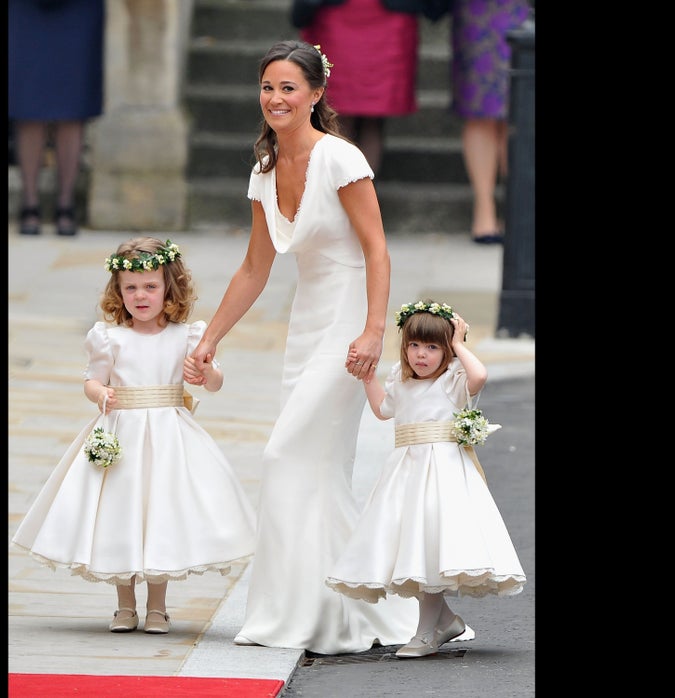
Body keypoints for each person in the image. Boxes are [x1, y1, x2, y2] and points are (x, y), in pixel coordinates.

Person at [184, 40, 465, 655]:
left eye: (288, 87)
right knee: (314, 470)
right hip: (305, 328)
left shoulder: (340, 158)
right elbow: (255, 269)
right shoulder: (262, 170)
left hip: (346, 329)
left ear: (315, 94)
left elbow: (376, 249)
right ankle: (364, 609)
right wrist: (208, 338)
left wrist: (372, 330)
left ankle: (338, 608)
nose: (276, 99)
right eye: (267, 87)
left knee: (286, 456)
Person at [11, 237, 256, 635]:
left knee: (160, 514)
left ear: (169, 288)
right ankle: (124, 606)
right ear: (118, 291)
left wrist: (206, 373)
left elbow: (215, 381)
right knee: (120, 514)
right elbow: (91, 380)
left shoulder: (187, 336)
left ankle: (157, 607)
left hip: (169, 438)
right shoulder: (109, 337)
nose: (140, 296)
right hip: (121, 434)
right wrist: (100, 393)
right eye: (130, 288)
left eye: (150, 286)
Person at [327, 300, 526, 657]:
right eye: (415, 346)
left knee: (430, 545)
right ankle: (444, 621)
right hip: (406, 474)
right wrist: (367, 376)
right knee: (416, 550)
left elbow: (480, 376)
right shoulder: (401, 384)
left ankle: (425, 634)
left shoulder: (453, 381)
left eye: (433, 347)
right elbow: (382, 409)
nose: (422, 355)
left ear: (446, 350)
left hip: (442, 476)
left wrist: (461, 343)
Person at [8, 0, 105, 236]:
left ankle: (66, 204)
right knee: (27, 102)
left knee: (73, 102)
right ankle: (29, 202)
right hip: (24, 9)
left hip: (79, 10)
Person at [295, 0, 420, 175]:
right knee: (337, 112)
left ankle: (360, 195)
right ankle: (337, 192)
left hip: (388, 17)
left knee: (373, 115)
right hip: (335, 16)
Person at [450, 0, 531, 244]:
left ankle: (518, 210)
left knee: (522, 106)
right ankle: (484, 210)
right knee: (479, 104)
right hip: (478, 10)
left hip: (525, 9)